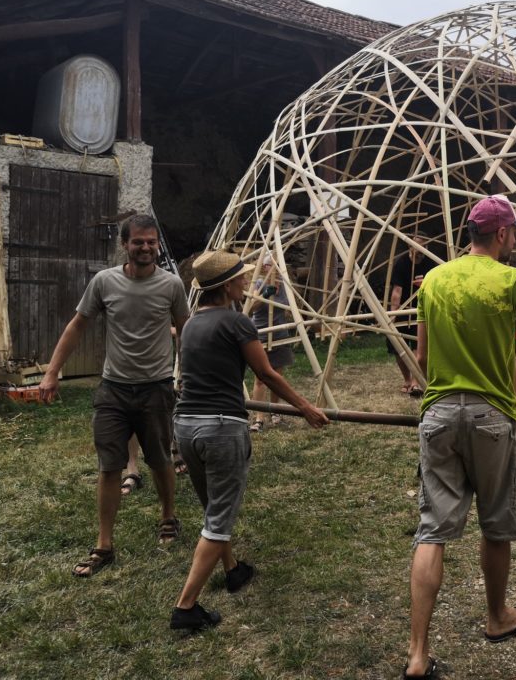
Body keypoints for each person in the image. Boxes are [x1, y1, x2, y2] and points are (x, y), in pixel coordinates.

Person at [403, 195, 516, 680]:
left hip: (439, 413)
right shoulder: (512, 280)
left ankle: (418, 654)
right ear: (503, 234)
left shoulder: (435, 279)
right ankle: (497, 616)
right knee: (496, 521)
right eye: (515, 233)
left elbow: (421, 358)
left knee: (432, 530)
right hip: (490, 415)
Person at [170, 251, 329, 631]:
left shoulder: (191, 324)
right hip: (221, 428)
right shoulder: (237, 323)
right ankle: (186, 607)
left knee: (213, 506)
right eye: (240, 278)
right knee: (220, 517)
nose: (246, 282)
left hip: (186, 426)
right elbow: (266, 373)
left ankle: (233, 570)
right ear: (226, 286)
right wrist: (306, 407)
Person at [38, 214, 190, 576]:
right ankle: (104, 545)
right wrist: (52, 371)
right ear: (125, 244)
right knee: (109, 466)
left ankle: (168, 517)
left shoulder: (172, 285)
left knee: (159, 460)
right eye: (138, 241)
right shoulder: (104, 281)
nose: (146, 247)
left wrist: (185, 373)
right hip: (113, 390)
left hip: (156, 388)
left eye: (152, 241)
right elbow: (77, 325)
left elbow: (185, 329)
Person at [248, 253, 295, 432]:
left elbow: (291, 307)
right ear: (265, 268)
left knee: (277, 376)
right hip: (260, 333)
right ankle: (259, 419)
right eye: (270, 266)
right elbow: (251, 307)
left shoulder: (284, 285)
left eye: (276, 265)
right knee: (261, 378)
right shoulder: (258, 283)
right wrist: (264, 294)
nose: (273, 269)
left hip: (279, 333)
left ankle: (275, 412)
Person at [388, 236, 436, 397]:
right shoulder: (402, 263)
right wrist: (393, 314)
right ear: (410, 247)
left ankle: (416, 382)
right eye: (418, 247)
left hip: (422, 308)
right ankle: (407, 380)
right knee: (398, 346)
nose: (421, 251)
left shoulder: (431, 263)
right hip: (404, 308)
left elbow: (437, 286)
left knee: (418, 346)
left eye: (425, 247)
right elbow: (397, 291)